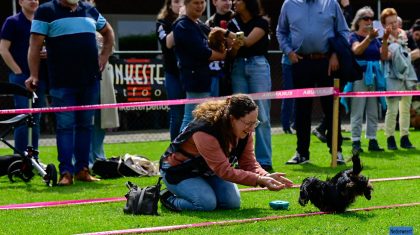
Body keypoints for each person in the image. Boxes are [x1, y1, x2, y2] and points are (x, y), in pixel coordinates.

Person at [25, 0, 115, 185]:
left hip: (90, 81)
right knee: (65, 127)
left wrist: (104, 55)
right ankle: (66, 172)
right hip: (61, 82)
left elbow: (108, 32)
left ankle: (83, 170)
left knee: (85, 126)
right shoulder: (45, 11)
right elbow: (34, 46)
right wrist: (33, 75)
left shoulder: (89, 9)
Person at [159, 94, 293, 212]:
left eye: (255, 123)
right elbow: (224, 171)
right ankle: (167, 197)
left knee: (231, 203)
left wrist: (266, 176)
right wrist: (258, 179)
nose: (252, 128)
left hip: (208, 171)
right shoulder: (205, 131)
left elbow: (248, 163)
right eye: (248, 123)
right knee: (205, 204)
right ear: (232, 118)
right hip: (177, 171)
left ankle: (201, 189)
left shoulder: (244, 131)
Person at [277, 0, 349, 165]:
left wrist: (335, 54)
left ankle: (337, 152)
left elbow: (343, 31)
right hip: (301, 62)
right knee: (301, 110)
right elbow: (280, 32)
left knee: (331, 109)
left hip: (328, 62)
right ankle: (302, 153)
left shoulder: (331, 3)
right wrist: (288, 52)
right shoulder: (289, 4)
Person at [227, 0, 273, 171]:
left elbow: (247, 42)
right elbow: (232, 52)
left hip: (258, 66)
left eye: (238, 0)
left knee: (261, 113)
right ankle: (240, 159)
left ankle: (264, 160)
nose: (234, 3)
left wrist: (226, 34)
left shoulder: (262, 22)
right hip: (238, 67)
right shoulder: (233, 23)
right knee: (238, 114)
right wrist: (234, 47)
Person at [0, 0, 47, 156]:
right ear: (20, 2)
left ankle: (33, 158)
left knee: (36, 119)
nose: (33, 1)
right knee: (23, 119)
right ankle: (20, 159)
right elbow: (3, 50)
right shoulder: (12, 22)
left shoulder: (42, 23)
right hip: (21, 79)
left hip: (39, 78)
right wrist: (18, 72)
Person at [173, 0, 226, 132]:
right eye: (195, 3)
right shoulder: (183, 26)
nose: (200, 6)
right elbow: (201, 51)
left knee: (199, 119)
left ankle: (189, 150)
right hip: (193, 78)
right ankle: (179, 150)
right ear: (186, 4)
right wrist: (221, 55)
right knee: (191, 119)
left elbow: (214, 33)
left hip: (203, 78)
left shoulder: (197, 24)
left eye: (202, 2)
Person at [84, 0, 120, 167]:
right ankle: (85, 160)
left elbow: (111, 45)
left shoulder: (100, 22)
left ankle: (99, 156)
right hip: (82, 78)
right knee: (85, 119)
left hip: (102, 77)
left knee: (101, 119)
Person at [347, 6, 388, 154]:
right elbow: (356, 50)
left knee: (373, 111)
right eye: (366, 18)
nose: (369, 21)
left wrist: (384, 40)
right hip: (360, 76)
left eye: (371, 19)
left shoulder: (375, 39)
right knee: (357, 110)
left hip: (375, 76)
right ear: (358, 21)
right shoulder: (353, 36)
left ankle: (372, 139)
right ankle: (356, 141)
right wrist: (368, 38)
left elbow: (383, 56)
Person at [381, 8, 417, 150]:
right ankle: (390, 138)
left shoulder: (406, 35)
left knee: (406, 109)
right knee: (392, 109)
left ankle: (405, 138)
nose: (394, 25)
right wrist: (386, 41)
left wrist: (403, 55)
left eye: (395, 21)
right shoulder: (382, 38)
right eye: (390, 23)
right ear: (384, 25)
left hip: (407, 76)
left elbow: (416, 52)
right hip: (392, 76)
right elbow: (384, 57)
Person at [156, 0, 185, 141]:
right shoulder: (162, 23)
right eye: (176, 2)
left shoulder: (192, 22)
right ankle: (174, 151)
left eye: (183, 2)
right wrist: (181, 19)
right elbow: (168, 42)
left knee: (192, 113)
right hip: (173, 74)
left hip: (190, 74)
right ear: (169, 4)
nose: (180, 5)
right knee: (177, 115)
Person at [206, 0, 234, 97]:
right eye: (223, 0)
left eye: (230, 0)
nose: (228, 2)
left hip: (236, 68)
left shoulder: (238, 19)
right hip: (217, 71)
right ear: (214, 2)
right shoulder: (209, 23)